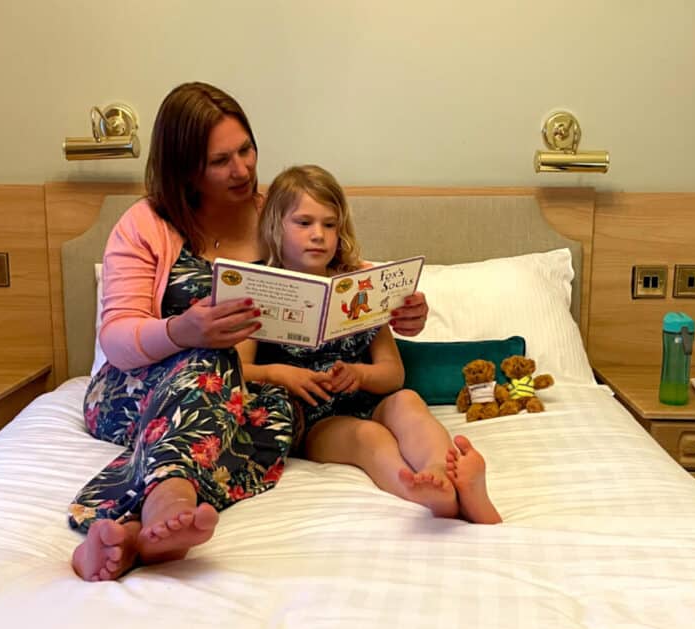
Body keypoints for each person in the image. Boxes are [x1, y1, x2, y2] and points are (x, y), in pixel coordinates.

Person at [69, 83, 431, 581]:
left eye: (246, 150)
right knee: (212, 361)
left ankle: (132, 539)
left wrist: (400, 306)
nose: (242, 169)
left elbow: (348, 277)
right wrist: (181, 330)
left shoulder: (281, 213)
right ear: (184, 166)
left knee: (274, 419)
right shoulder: (146, 224)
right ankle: (167, 500)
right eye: (220, 160)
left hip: (248, 390)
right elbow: (117, 339)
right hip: (139, 384)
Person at [238, 165, 501, 525]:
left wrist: (359, 374)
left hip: (369, 398)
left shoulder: (361, 286)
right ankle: (416, 490)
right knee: (367, 435)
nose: (318, 235)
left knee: (408, 402)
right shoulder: (259, 290)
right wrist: (280, 374)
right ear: (274, 226)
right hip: (315, 420)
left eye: (329, 225)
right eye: (303, 223)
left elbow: (393, 375)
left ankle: (444, 471)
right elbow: (236, 370)